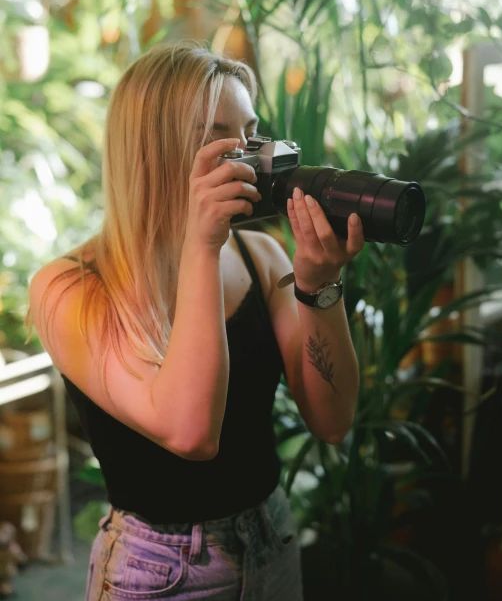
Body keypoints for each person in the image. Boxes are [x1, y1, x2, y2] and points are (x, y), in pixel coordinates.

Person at [25, 41, 363, 600]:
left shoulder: (262, 256)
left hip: (272, 539)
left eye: (251, 133)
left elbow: (332, 421)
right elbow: (191, 433)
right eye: (218, 139)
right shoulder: (70, 288)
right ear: (152, 150)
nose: (250, 156)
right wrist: (200, 248)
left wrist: (319, 283)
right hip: (160, 572)